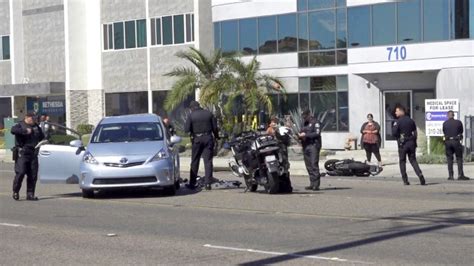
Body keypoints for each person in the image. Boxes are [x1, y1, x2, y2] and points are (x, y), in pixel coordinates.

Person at [184, 101, 219, 190]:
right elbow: (215, 128)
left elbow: (186, 129)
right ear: (199, 106)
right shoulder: (209, 114)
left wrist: (193, 129)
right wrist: (217, 137)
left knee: (195, 161)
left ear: (191, 108)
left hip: (197, 140)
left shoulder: (191, 115)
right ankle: (208, 184)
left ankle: (192, 184)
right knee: (208, 161)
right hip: (208, 138)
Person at [11, 113, 45, 201]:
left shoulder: (37, 127)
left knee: (33, 175)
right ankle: (16, 191)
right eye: (32, 118)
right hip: (22, 152)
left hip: (33, 152)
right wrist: (25, 131)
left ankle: (30, 194)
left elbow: (42, 137)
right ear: (27, 118)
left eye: (35, 118)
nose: (34, 120)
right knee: (21, 172)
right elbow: (13, 130)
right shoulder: (20, 124)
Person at [392, 106, 425, 186]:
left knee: (402, 161)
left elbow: (394, 133)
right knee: (413, 160)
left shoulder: (398, 121)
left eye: (397, 111)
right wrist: (413, 140)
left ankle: (405, 180)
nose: (395, 113)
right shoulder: (411, 120)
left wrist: (398, 137)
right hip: (411, 143)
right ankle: (420, 174)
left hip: (402, 144)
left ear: (401, 111)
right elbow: (415, 132)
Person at [443, 110, 470, 181]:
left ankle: (450, 176)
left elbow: (444, 132)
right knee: (459, 158)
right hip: (456, 141)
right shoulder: (458, 122)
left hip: (448, 142)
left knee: (449, 159)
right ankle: (460, 175)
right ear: (453, 115)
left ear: (448, 116)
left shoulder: (445, 123)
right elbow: (461, 131)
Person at [299, 110, 322, 191]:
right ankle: (312, 183)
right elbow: (301, 132)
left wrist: (306, 135)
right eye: (303, 117)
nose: (304, 118)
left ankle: (316, 184)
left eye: (305, 116)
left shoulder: (316, 122)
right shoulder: (303, 123)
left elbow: (317, 133)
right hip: (305, 145)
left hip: (313, 146)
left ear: (309, 114)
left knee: (313, 164)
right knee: (308, 165)